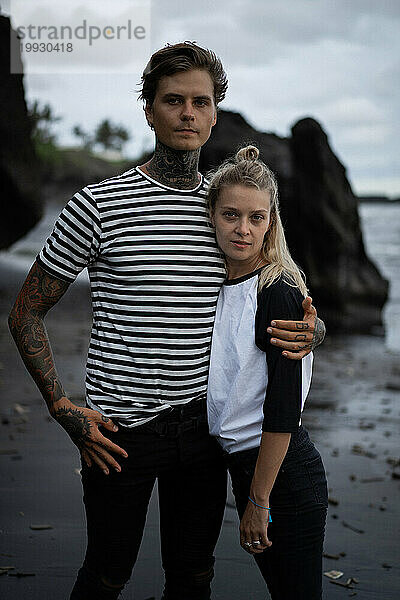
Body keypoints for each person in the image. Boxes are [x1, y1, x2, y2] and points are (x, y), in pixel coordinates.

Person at [8, 43, 325, 599]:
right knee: (107, 574)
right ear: (149, 109)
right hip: (117, 432)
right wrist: (62, 408)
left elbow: (273, 286)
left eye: (200, 102)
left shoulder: (225, 206)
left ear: (214, 114)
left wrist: (313, 330)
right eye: (172, 101)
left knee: (193, 577)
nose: (187, 113)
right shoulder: (99, 205)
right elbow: (26, 311)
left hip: (202, 433)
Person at [206, 145, 328, 599]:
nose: (243, 229)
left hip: (282, 475)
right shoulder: (218, 281)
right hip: (243, 465)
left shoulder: (276, 289)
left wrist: (258, 501)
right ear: (212, 215)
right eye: (231, 215)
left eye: (256, 218)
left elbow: (282, 409)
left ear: (270, 222)